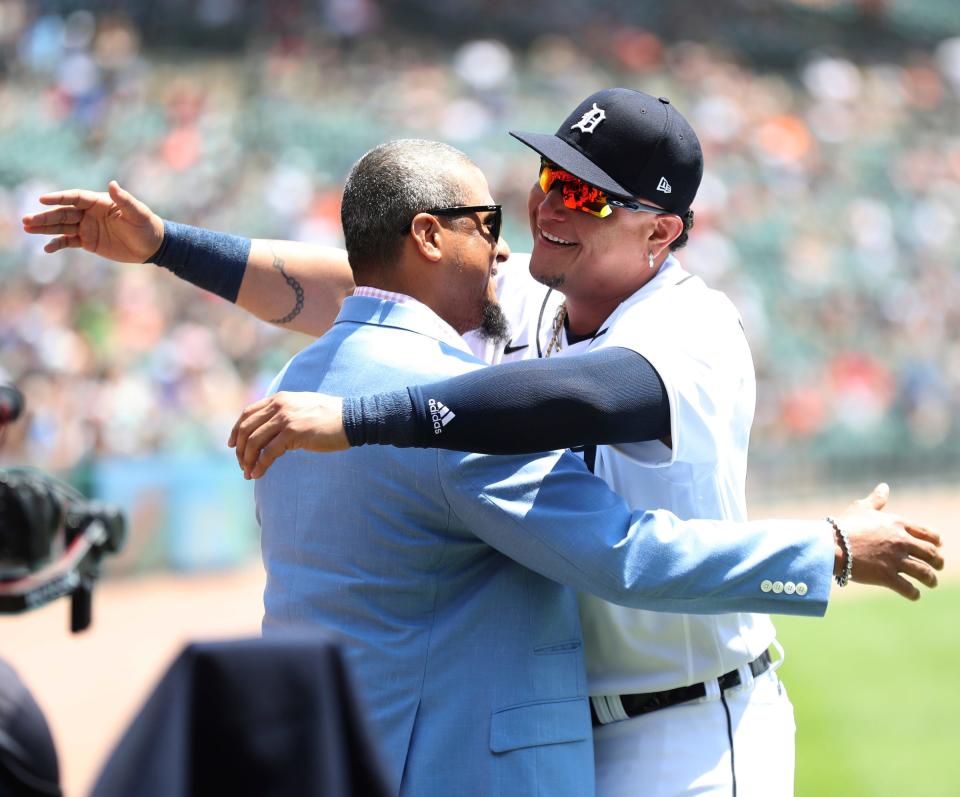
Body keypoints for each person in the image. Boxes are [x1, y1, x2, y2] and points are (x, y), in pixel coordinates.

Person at [21, 116, 943, 797]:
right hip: (557, 728)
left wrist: (367, 415)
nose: (543, 209)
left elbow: (575, 399)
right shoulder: (529, 305)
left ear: (660, 231)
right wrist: (166, 245)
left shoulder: (691, 327)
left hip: (690, 723)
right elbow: (365, 276)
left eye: (583, 195)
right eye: (543, 180)